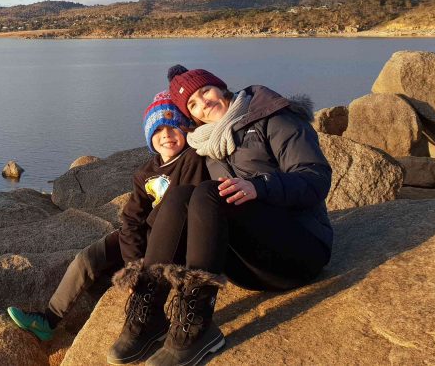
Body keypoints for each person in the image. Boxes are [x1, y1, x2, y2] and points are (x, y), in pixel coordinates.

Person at [138, 65, 333, 366]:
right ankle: (148, 309)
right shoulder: (204, 142)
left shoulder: (273, 117)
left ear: (220, 87)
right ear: (191, 116)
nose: (203, 103)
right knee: (181, 195)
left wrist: (259, 187)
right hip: (251, 268)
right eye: (192, 104)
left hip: (301, 252)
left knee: (210, 192)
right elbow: (180, 211)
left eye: (205, 91)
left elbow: (316, 177)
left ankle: (197, 326)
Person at [7, 90, 208, 364]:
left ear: (186, 129)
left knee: (151, 266)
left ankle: (153, 322)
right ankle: (48, 319)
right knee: (86, 259)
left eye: (173, 126)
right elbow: (132, 220)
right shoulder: (145, 173)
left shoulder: (193, 160)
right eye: (158, 129)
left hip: (172, 240)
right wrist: (131, 265)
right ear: (150, 137)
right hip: (144, 238)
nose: (166, 135)